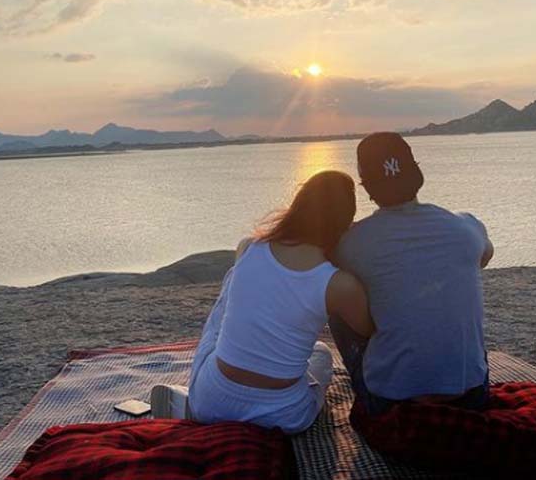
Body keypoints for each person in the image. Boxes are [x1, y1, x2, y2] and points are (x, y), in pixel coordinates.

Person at [151, 170, 374, 434]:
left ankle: (189, 404)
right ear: (344, 224)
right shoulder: (339, 284)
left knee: (231, 288)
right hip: (284, 416)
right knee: (321, 354)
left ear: (298, 208)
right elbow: (366, 329)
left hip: (211, 402)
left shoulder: (249, 247)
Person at [331, 132, 494, 415]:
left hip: (390, 401)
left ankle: (385, 371)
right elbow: (485, 257)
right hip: (472, 394)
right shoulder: (466, 228)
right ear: (417, 174)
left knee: (338, 298)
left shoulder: (350, 244)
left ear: (367, 186)